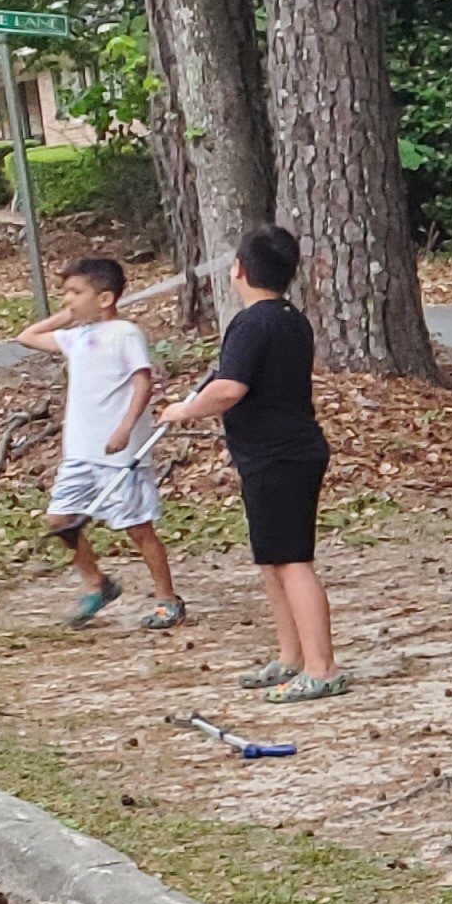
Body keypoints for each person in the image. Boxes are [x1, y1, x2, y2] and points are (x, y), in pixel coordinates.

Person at [160, 225, 343, 703]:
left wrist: (186, 409)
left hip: (283, 456)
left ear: (239, 269)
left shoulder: (253, 323)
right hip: (271, 455)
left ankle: (321, 668)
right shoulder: (289, 318)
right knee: (273, 561)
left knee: (293, 561)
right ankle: (290, 656)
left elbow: (229, 388)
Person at [16, 258, 184, 629]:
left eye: (76, 293)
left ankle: (167, 598)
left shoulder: (125, 334)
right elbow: (27, 337)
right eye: (65, 293)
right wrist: (67, 315)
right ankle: (98, 582)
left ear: (105, 297)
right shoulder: (77, 337)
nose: (68, 299)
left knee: (137, 528)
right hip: (80, 452)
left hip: (119, 453)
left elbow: (143, 382)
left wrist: (125, 428)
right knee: (61, 519)